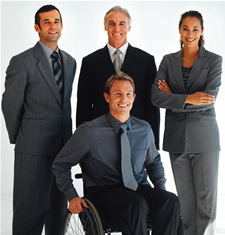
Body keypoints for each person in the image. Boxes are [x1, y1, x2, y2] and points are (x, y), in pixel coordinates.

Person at [53, 72, 183, 235]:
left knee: (170, 201)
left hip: (137, 188)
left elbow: (154, 162)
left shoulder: (144, 129)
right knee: (136, 203)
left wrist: (160, 190)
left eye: (128, 94)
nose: (124, 99)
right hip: (104, 191)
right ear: (107, 97)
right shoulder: (89, 132)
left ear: (134, 97)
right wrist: (71, 196)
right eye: (118, 94)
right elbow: (61, 164)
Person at [1, 5, 76, 235]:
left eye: (56, 21)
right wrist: (21, 138)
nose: (53, 26)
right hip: (32, 150)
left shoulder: (70, 62)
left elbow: (65, 107)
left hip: (62, 150)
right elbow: (10, 104)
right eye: (47, 22)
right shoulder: (22, 62)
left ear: (62, 25)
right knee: (29, 215)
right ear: (37, 27)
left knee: (58, 216)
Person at [151, 10, 222, 235]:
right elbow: (155, 97)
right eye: (186, 28)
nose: (190, 34)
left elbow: (209, 100)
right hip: (176, 138)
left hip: (204, 139)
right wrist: (189, 98)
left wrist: (174, 97)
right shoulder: (167, 61)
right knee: (186, 204)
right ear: (179, 30)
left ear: (202, 32)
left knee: (206, 203)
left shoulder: (214, 61)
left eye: (195, 29)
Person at [76, 5, 160, 149]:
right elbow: (83, 107)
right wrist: (81, 147)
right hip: (99, 138)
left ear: (129, 27)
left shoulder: (146, 61)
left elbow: (152, 107)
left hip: (136, 137)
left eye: (122, 24)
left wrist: (153, 147)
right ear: (105, 27)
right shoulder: (90, 62)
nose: (117, 29)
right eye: (112, 23)